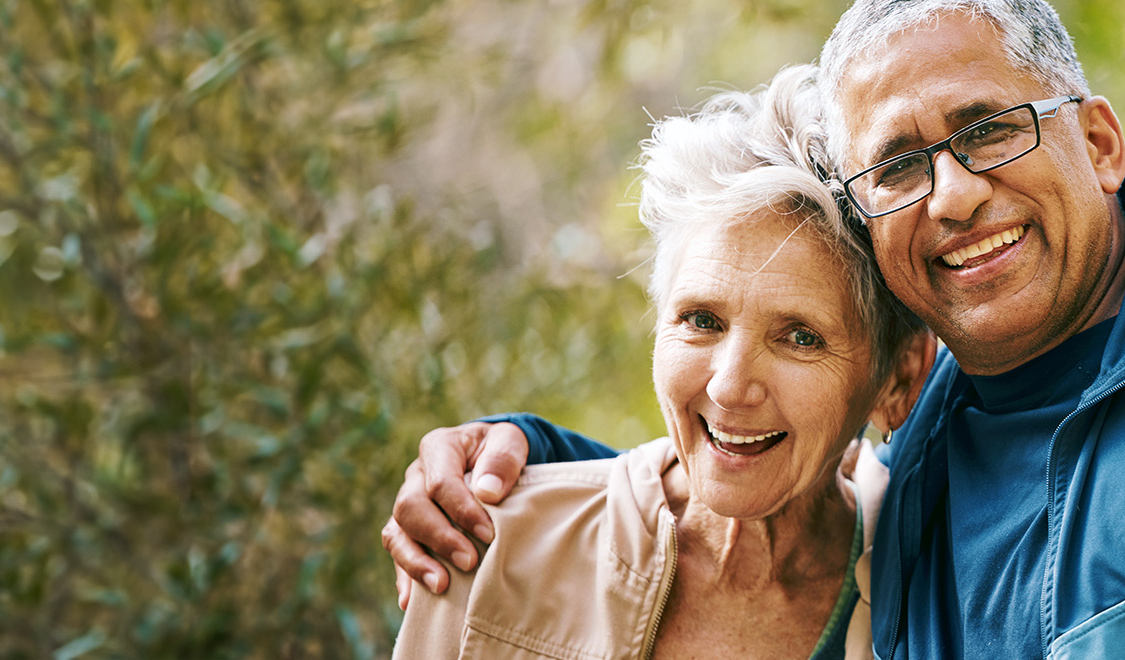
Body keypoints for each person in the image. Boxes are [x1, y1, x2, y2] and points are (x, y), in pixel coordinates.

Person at [385, 0, 1125, 659]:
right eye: (901, 163)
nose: (953, 193)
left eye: (988, 128)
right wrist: (518, 458)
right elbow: (758, 462)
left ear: (1098, 141)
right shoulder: (918, 455)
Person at [391, 64, 933, 659]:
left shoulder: (938, 588)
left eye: (800, 337)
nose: (729, 388)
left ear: (898, 379)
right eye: (702, 321)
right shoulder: (488, 549)